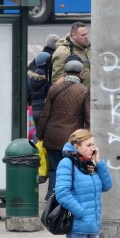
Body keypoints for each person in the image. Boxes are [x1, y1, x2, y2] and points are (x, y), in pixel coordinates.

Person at [36, 59, 91, 199]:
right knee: (70, 168)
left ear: (65, 72)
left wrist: (40, 134)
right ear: (80, 73)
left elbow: (45, 115)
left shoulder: (54, 88)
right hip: (71, 138)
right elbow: (88, 116)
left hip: (52, 135)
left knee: (54, 168)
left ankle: (51, 195)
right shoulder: (84, 91)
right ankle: (66, 196)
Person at [51, 22, 91, 87]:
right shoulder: (64, 52)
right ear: (73, 35)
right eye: (83, 35)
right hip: (75, 94)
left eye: (86, 34)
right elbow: (57, 82)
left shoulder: (88, 47)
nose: (86, 37)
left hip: (88, 93)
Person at [27, 51, 52, 130]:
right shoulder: (48, 77)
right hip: (45, 110)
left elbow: (28, 95)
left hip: (35, 110)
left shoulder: (30, 77)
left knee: (38, 134)